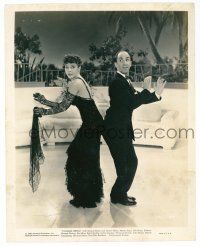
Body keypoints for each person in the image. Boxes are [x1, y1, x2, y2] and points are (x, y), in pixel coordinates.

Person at [31, 54, 104, 208]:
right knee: (86, 158)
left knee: (78, 156)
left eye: (72, 67)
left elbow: (62, 107)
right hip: (94, 124)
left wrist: (42, 111)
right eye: (66, 67)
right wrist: (43, 101)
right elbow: (63, 104)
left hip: (92, 125)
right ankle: (88, 196)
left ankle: (86, 198)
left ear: (79, 68)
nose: (69, 70)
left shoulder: (75, 83)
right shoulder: (78, 81)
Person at [103, 50, 166, 206]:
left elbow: (137, 99)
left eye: (127, 59)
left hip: (121, 129)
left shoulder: (126, 81)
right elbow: (131, 103)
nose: (125, 62)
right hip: (115, 130)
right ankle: (118, 195)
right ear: (115, 64)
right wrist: (145, 89)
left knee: (130, 162)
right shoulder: (116, 82)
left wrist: (156, 94)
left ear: (130, 62)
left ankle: (119, 194)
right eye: (121, 59)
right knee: (125, 165)